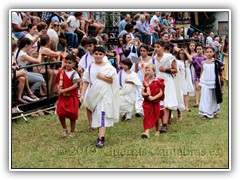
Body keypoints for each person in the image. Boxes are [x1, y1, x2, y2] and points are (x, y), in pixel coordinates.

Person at [80, 46, 119, 148]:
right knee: (95, 113)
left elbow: (112, 81)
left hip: (104, 94)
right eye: (96, 54)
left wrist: (102, 77)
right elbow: (86, 81)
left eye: (100, 54)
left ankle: (100, 138)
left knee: (102, 113)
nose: (98, 56)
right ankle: (98, 131)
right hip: (94, 93)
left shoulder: (109, 67)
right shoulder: (90, 67)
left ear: (104, 55)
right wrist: (82, 94)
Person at [152, 40, 178, 133]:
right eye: (155, 47)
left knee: (167, 101)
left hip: (167, 80)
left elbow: (175, 70)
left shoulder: (169, 57)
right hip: (157, 81)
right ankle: (160, 122)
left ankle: (165, 124)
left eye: (158, 47)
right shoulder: (154, 58)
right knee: (160, 102)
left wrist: (166, 69)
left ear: (163, 47)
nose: (156, 49)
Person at [54, 54, 80, 137]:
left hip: (71, 97)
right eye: (66, 62)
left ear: (74, 64)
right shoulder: (61, 72)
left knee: (72, 115)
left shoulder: (74, 73)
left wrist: (64, 90)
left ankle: (72, 132)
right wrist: (58, 87)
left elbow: (76, 85)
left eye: (69, 63)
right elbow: (58, 82)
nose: (67, 64)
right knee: (60, 113)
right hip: (62, 97)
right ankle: (64, 129)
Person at [141, 63, 165, 138]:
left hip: (155, 102)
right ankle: (146, 132)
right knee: (147, 116)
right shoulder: (145, 82)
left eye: (149, 70)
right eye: (146, 70)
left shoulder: (158, 81)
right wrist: (145, 94)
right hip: (147, 102)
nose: (147, 72)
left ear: (154, 71)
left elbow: (161, 93)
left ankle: (157, 130)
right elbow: (142, 92)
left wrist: (154, 98)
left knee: (156, 117)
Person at [199, 47, 222, 119]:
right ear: (205, 53)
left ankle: (215, 112)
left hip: (214, 82)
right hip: (205, 82)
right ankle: (205, 113)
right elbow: (202, 72)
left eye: (210, 52)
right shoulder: (203, 62)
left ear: (213, 53)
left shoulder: (216, 63)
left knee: (214, 97)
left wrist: (219, 84)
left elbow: (218, 74)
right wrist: (200, 82)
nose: (209, 53)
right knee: (205, 97)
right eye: (207, 52)